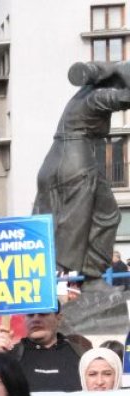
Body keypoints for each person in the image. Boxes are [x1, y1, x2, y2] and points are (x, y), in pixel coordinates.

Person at [35, 61, 130, 292]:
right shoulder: (95, 97)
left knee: (63, 221)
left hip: (57, 160)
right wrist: (121, 69)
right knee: (84, 222)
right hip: (76, 162)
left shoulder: (81, 97)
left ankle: (86, 277)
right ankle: (77, 281)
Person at [6, 311, 86, 392]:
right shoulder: (9, 357)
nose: (35, 319)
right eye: (30, 315)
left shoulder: (81, 354)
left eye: (43, 313)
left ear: (58, 319)